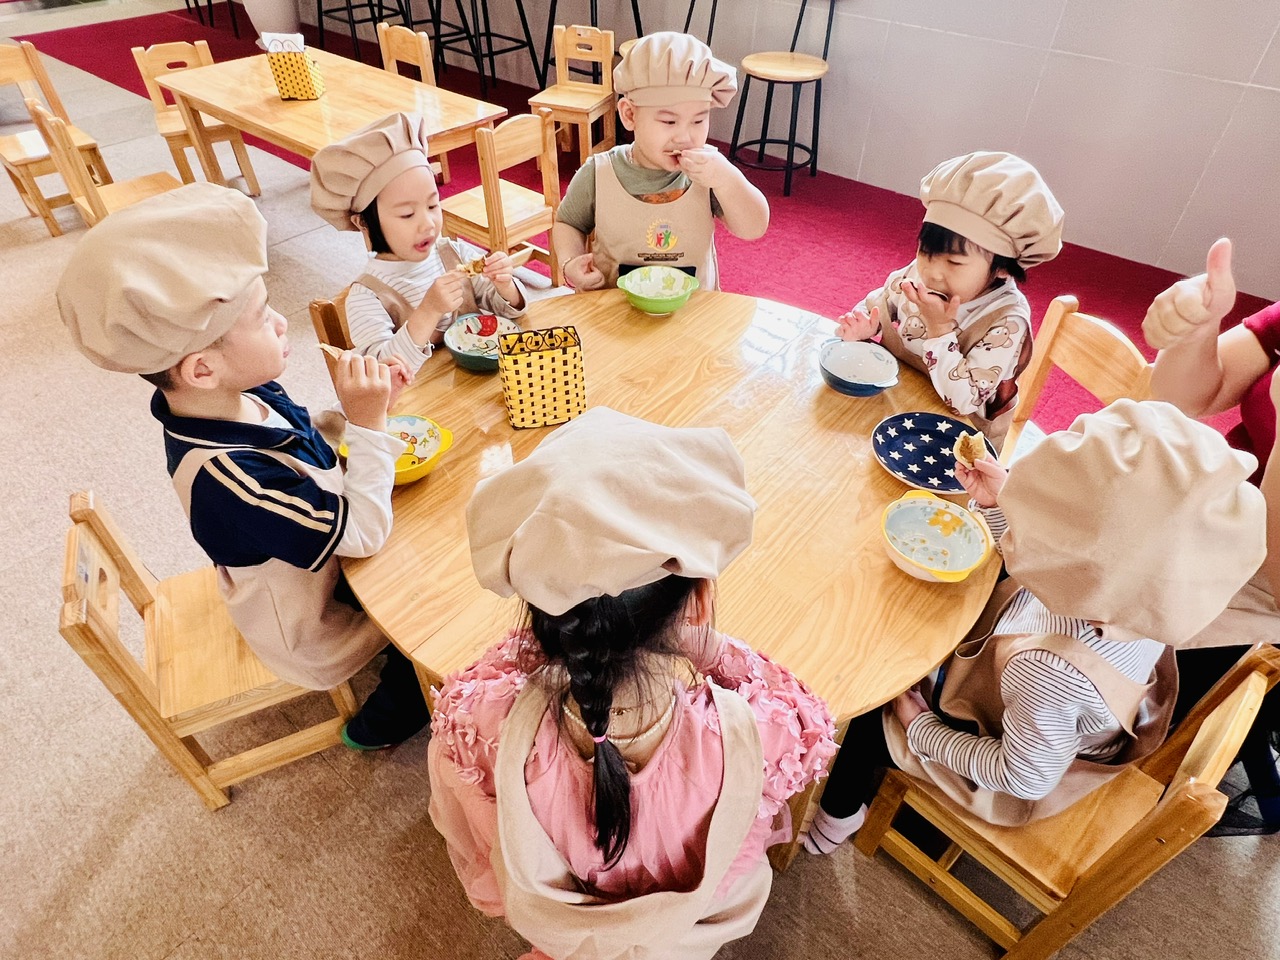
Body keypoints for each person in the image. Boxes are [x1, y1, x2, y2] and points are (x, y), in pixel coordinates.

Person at [427, 408, 835, 960]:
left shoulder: (481, 722)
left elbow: (484, 854)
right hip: (681, 938)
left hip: (560, 941)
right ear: (700, 602)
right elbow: (809, 714)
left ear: (542, 612)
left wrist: (554, 643)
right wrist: (708, 644)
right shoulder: (758, 738)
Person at [57, 183, 430, 751]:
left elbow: (308, 444)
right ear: (203, 370)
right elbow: (365, 534)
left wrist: (363, 413)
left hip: (315, 556)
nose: (282, 322)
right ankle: (374, 727)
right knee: (424, 621)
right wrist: (369, 428)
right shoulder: (228, 481)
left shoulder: (244, 393)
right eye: (262, 316)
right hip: (312, 623)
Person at [801, 400, 1265, 854]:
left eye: (1047, 516)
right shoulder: (1144, 595)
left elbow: (1023, 777)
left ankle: (838, 816)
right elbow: (1050, 562)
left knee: (873, 705)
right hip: (1049, 702)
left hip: (1021, 757)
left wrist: (919, 726)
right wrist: (1001, 506)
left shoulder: (1048, 674)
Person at [1145, 237, 1280, 831]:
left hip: (1263, 590)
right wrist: (1197, 327)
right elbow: (1185, 395)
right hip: (1212, 516)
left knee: (1093, 667)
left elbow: (1275, 575)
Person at [834, 152, 1063, 448]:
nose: (932, 272)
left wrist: (940, 330)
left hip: (952, 442)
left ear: (1004, 268)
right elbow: (877, 307)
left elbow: (964, 402)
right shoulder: (919, 273)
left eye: (954, 263)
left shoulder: (1006, 321)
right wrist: (863, 328)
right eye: (925, 252)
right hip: (892, 409)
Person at [310, 112, 526, 377]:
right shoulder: (367, 296)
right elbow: (382, 375)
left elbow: (508, 315)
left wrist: (505, 285)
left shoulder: (453, 254)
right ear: (362, 222)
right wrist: (429, 310)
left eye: (433, 205)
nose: (427, 224)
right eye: (407, 214)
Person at [552, 32, 770, 293]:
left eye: (699, 120)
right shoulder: (599, 173)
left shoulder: (709, 173)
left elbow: (753, 228)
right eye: (669, 121)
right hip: (613, 309)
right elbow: (568, 223)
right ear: (630, 115)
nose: (685, 136)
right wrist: (570, 262)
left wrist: (727, 179)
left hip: (692, 311)